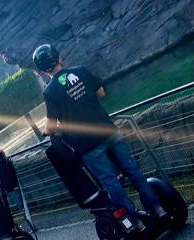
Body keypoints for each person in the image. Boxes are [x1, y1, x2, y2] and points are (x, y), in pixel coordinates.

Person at [33, 44, 168, 230]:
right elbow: (101, 93)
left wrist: (46, 131)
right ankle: (156, 207)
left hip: (87, 144)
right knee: (131, 169)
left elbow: (51, 124)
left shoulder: (50, 91)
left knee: (110, 180)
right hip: (107, 130)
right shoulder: (80, 71)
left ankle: (135, 220)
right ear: (59, 58)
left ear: (41, 71)